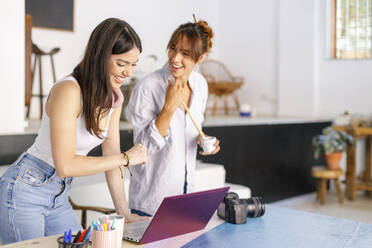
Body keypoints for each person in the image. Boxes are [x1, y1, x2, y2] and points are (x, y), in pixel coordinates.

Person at [0, 18, 148, 245]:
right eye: (121, 63)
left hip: (59, 193)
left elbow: (112, 160)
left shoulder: (114, 98)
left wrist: (124, 213)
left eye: (133, 64)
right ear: (100, 55)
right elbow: (66, 164)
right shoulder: (68, 90)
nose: (128, 72)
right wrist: (126, 158)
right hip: (25, 189)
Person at [127, 17, 220, 216]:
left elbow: (191, 130)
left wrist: (202, 141)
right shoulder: (147, 87)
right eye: (172, 48)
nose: (175, 58)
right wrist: (168, 109)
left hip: (185, 198)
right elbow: (142, 151)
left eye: (185, 53)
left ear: (201, 57)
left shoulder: (200, 85)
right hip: (151, 201)